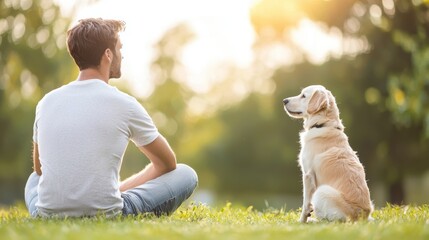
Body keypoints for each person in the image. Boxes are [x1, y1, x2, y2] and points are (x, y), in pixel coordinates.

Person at [24, 18, 198, 218]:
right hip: (109, 213)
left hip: (46, 214)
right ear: (107, 54)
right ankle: (109, 200)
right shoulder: (125, 103)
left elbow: (39, 169)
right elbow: (167, 163)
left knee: (32, 180)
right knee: (186, 174)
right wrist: (120, 190)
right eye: (119, 48)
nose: (121, 55)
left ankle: (50, 209)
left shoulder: (46, 102)